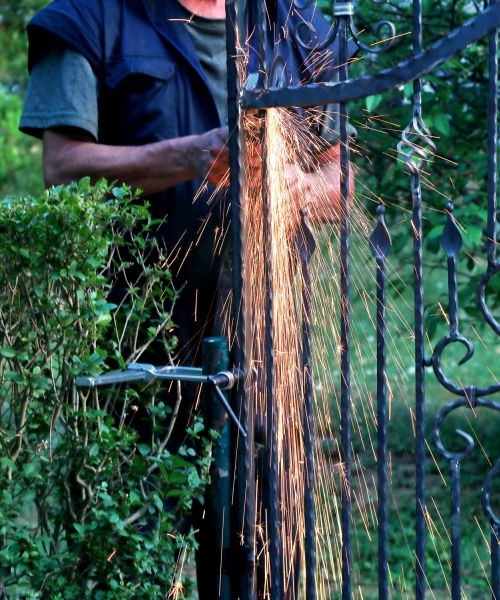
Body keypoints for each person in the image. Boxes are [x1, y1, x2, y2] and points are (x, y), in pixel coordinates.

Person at [19, 0, 350, 596]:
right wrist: (188, 156)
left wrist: (297, 190)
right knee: (131, 554)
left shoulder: (297, 24)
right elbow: (62, 166)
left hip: (266, 344)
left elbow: (340, 178)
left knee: (259, 558)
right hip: (134, 339)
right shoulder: (88, 18)